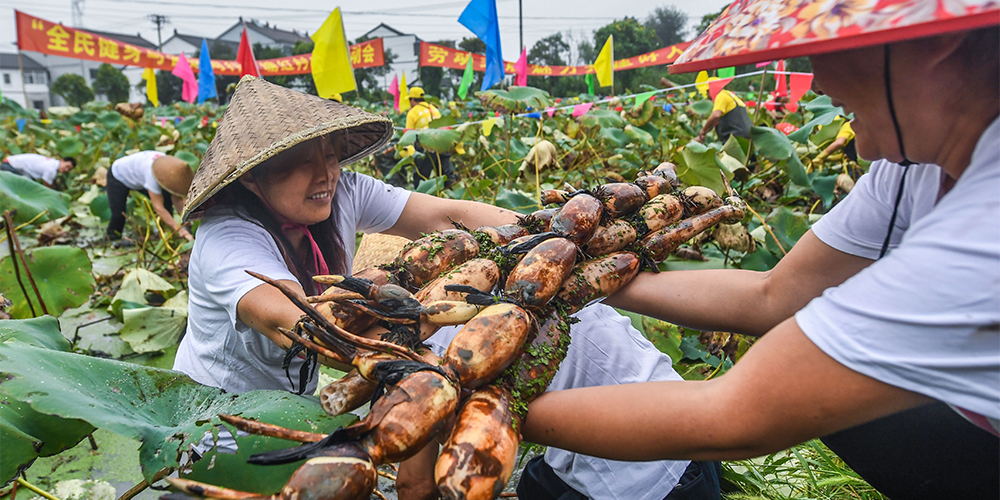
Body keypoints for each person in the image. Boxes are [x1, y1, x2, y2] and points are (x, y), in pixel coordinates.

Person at [519, 3, 999, 500]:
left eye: (827, 45)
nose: (815, 83)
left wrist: (487, 403)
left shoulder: (987, 226)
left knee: (822, 386)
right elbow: (776, 295)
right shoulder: (912, 167)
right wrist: (585, 278)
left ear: (939, 38)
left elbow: (734, 414)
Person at [171, 77, 720, 500]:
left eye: (331, 153)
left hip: (307, 406)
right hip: (218, 414)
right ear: (250, 175)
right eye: (299, 162)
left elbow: (449, 214)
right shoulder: (226, 240)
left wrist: (543, 233)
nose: (326, 174)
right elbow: (296, 320)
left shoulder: (343, 195)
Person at [105, 151, 194, 241]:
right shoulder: (151, 174)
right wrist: (181, 230)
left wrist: (189, 221)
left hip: (139, 174)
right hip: (119, 175)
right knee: (118, 214)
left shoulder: (171, 168)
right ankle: (113, 240)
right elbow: (158, 207)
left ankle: (165, 232)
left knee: (167, 200)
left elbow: (177, 199)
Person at [404, 86, 457, 188]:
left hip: (427, 146)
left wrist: (408, 150)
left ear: (413, 99)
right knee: (445, 175)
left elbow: (408, 134)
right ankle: (450, 197)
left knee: (421, 177)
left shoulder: (413, 112)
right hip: (442, 144)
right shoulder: (434, 109)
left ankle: (419, 200)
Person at [696, 78, 751, 144]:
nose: (707, 95)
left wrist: (703, 130)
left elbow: (716, 115)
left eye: (707, 91)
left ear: (713, 88)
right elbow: (715, 122)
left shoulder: (721, 96)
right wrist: (703, 134)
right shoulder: (730, 95)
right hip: (747, 136)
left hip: (736, 137)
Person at [1, 153, 76, 188]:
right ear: (62, 160)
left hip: (9, 162)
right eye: (67, 166)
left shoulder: (52, 162)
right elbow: (46, 187)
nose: (66, 169)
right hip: (10, 166)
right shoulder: (52, 169)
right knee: (28, 186)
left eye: (69, 169)